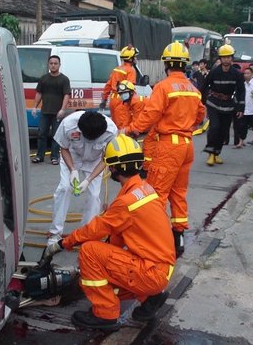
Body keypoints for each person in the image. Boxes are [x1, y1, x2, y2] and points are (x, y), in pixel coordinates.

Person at [42, 134, 175, 331]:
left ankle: (105, 315)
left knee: (89, 251)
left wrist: (63, 243)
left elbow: (94, 230)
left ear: (113, 167)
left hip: (150, 273)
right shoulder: (144, 189)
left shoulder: (126, 202)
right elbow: (119, 234)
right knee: (102, 276)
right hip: (160, 268)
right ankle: (149, 297)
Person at [124, 42, 206, 257]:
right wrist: (185, 125)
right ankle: (178, 235)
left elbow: (150, 114)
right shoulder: (193, 90)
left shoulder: (163, 87)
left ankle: (153, 240)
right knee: (179, 193)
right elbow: (200, 116)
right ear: (185, 64)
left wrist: (132, 130)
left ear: (166, 64)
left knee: (157, 194)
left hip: (169, 146)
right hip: (187, 146)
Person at [47, 110, 117, 245]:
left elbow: (106, 158)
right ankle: (55, 233)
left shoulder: (111, 131)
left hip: (95, 161)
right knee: (64, 188)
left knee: (94, 195)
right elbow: (64, 148)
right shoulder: (68, 124)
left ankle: (86, 234)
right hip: (72, 156)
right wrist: (73, 170)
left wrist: (88, 180)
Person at [201, 44, 245, 166]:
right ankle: (210, 153)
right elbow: (204, 87)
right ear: (220, 59)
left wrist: (241, 107)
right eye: (224, 57)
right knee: (214, 126)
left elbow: (241, 91)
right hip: (213, 102)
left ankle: (216, 153)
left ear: (232, 58)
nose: (226, 59)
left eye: (228, 57)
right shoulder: (214, 72)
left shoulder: (237, 74)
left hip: (228, 104)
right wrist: (202, 102)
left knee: (223, 130)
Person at [31, 55, 71, 165]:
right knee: (41, 134)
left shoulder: (64, 79)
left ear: (59, 65)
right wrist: (35, 106)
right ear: (48, 65)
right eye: (51, 63)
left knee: (56, 136)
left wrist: (62, 110)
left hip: (57, 113)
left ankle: (55, 157)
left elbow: (66, 95)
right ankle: (40, 156)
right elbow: (39, 93)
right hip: (45, 112)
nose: (53, 65)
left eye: (55, 63)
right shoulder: (44, 79)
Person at [100, 45, 138, 124]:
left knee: (115, 125)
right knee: (123, 125)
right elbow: (130, 88)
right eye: (135, 57)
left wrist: (104, 100)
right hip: (122, 101)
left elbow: (108, 86)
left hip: (113, 100)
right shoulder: (130, 71)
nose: (136, 59)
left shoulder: (116, 69)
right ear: (131, 59)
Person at [235, 64, 253, 149]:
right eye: (244, 73)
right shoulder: (242, 84)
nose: (246, 75)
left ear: (252, 75)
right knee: (242, 126)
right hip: (244, 109)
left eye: (248, 73)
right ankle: (241, 142)